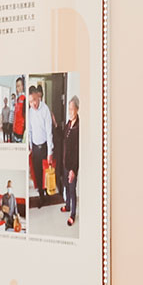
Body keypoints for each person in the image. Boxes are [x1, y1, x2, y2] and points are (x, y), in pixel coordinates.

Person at [24, 83, 54, 204]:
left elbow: (49, 132)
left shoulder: (45, 110)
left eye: (35, 100)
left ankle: (47, 194)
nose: (33, 104)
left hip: (45, 146)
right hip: (35, 148)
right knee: (37, 173)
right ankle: (41, 197)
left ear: (38, 96)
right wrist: (30, 147)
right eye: (31, 102)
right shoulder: (30, 112)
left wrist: (50, 152)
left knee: (46, 173)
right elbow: (30, 131)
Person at [61, 95, 81, 225]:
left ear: (77, 109)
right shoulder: (68, 124)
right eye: (69, 109)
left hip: (72, 166)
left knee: (72, 189)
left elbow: (77, 151)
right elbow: (63, 137)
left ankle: (72, 214)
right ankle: (67, 205)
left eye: (72, 109)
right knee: (66, 186)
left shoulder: (79, 127)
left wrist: (73, 170)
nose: (70, 111)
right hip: (65, 163)